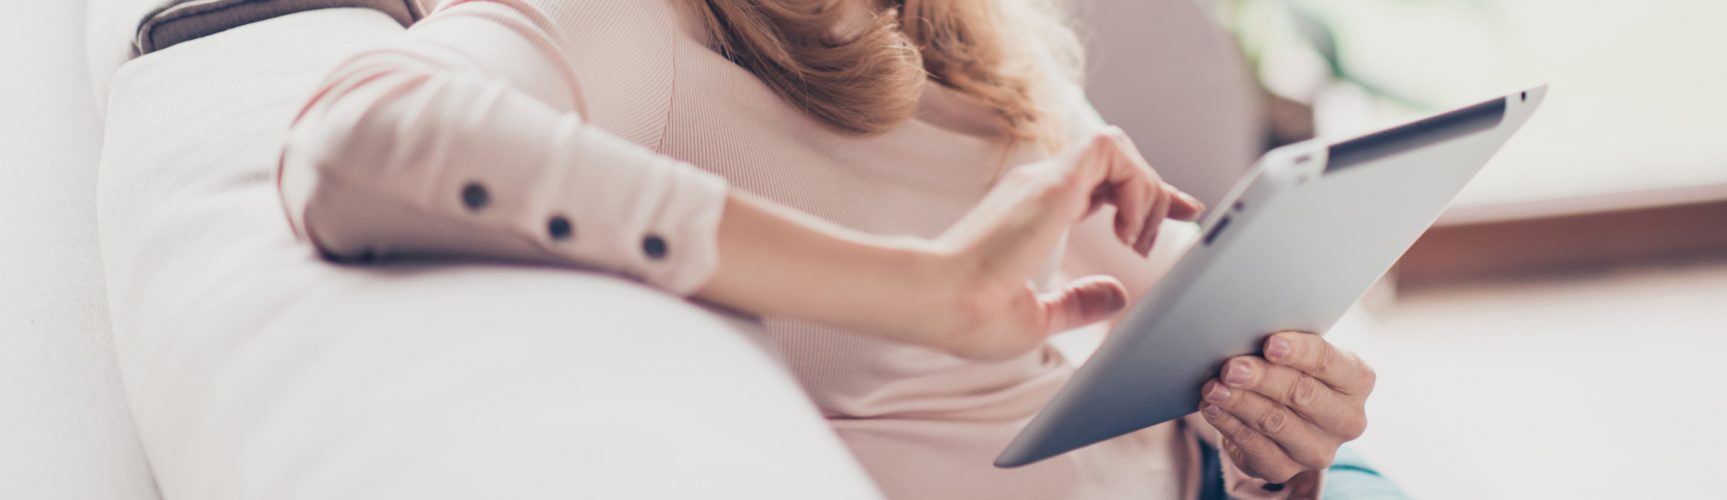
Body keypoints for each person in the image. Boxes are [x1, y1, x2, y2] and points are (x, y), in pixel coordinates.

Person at [277, 0, 1394, 498]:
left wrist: (1278, 447)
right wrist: (924, 287)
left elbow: (1173, 313)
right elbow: (358, 143)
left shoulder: (960, 25)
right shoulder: (630, 25)